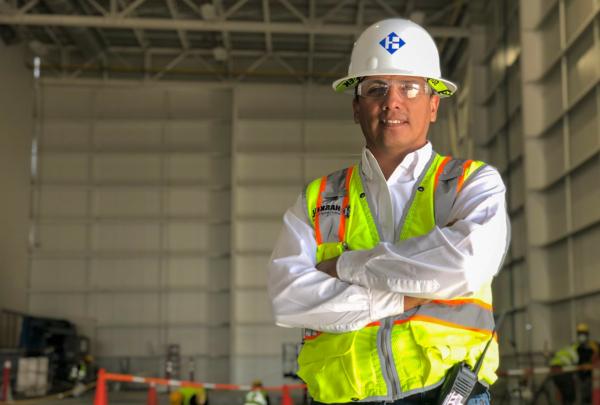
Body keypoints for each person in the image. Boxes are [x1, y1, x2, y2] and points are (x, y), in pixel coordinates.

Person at [268, 18, 510, 405]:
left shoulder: (472, 183)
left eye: (410, 87)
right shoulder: (317, 199)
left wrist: (349, 267)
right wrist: (405, 296)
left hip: (450, 395)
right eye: (376, 88)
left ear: (433, 105)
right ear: (356, 106)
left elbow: (466, 266)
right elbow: (289, 298)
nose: (392, 101)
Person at [550, 323, 599, 404]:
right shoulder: (578, 347)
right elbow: (582, 364)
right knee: (571, 397)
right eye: (580, 334)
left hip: (562, 371)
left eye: (583, 333)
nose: (582, 336)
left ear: (587, 334)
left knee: (571, 397)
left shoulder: (590, 346)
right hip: (565, 372)